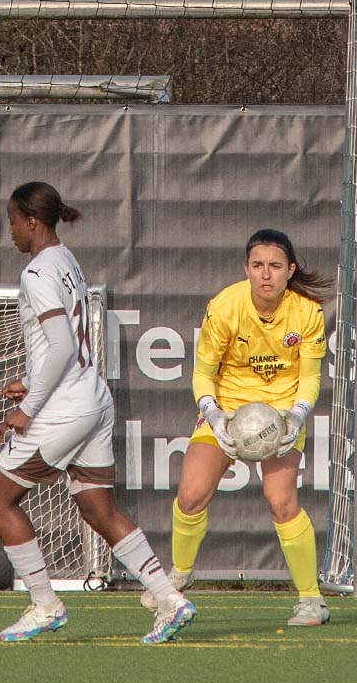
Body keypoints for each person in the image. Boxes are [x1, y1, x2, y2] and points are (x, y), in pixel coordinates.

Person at [0, 181, 196, 645]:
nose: (10, 232)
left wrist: (29, 407)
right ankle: (169, 599)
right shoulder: (66, 259)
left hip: (65, 409)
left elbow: (61, 345)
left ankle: (45, 604)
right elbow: (65, 346)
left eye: (13, 222)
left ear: (32, 222)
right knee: (99, 509)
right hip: (93, 399)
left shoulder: (37, 272)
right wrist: (31, 381)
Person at [141, 229, 333, 625]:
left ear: (290, 270)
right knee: (190, 495)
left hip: (281, 415)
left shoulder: (308, 312)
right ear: (246, 269)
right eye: (258, 265)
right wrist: (213, 415)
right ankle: (179, 575)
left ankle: (311, 600)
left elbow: (310, 378)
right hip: (227, 411)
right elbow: (202, 373)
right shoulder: (225, 306)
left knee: (281, 499)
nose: (266, 274)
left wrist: (296, 416)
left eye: (275, 266)